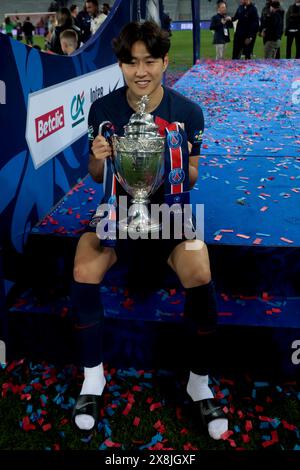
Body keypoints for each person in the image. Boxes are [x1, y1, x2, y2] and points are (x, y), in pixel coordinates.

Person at [71, 20, 228, 441]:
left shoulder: (188, 113)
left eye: (150, 61)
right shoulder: (103, 111)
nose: (140, 71)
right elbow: (95, 174)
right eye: (130, 62)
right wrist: (100, 156)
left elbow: (191, 177)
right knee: (83, 266)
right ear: (121, 64)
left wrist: (178, 155)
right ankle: (92, 380)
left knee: (199, 268)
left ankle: (200, 383)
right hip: (119, 212)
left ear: (164, 62)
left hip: (169, 213)